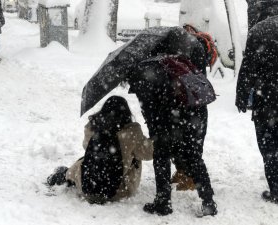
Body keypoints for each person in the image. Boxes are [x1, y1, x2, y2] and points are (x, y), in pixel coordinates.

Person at [126, 25, 218, 216]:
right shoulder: (183, 63)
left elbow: (148, 104)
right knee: (194, 157)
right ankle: (208, 201)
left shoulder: (147, 66)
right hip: (191, 116)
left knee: (161, 157)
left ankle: (163, 202)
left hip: (164, 119)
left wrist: (154, 126)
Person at [47, 96, 154, 204]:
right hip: (118, 191)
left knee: (84, 161)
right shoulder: (132, 133)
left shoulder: (93, 126)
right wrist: (152, 138)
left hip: (87, 186)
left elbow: (86, 146)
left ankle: (66, 175)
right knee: (136, 155)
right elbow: (149, 153)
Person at [236, 0, 278, 204]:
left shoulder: (259, 30)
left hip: (267, 100)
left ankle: (276, 188)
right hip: (267, 97)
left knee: (269, 145)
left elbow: (248, 68)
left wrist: (242, 96)